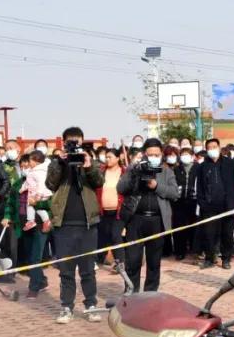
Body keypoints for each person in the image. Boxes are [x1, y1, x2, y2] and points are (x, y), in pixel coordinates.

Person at [47, 126, 104, 323]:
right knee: (66, 270)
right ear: (63, 143)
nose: (73, 145)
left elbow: (99, 182)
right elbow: (50, 184)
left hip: (87, 223)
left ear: (82, 141)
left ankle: (90, 305)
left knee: (88, 269)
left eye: (77, 142)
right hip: (64, 224)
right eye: (70, 142)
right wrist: (61, 163)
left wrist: (87, 166)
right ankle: (66, 307)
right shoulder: (57, 162)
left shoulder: (91, 161)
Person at [117, 138, 178, 291]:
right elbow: (121, 188)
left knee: (154, 262)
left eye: (157, 155)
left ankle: (150, 294)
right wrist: (133, 171)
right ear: (144, 154)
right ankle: (131, 293)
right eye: (150, 154)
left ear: (161, 155)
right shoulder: (134, 169)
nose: (153, 157)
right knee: (133, 260)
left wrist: (156, 185)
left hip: (157, 221)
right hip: (136, 220)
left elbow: (174, 193)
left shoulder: (167, 171)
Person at [196, 138, 234, 269]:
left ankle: (226, 259)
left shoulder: (230, 163)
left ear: (219, 147)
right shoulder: (202, 166)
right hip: (209, 207)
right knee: (209, 235)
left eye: (214, 147)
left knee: (227, 235)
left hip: (228, 206)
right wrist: (202, 203)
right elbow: (199, 187)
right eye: (209, 148)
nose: (212, 150)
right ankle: (210, 259)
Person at [21, 150, 53, 298]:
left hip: (44, 221)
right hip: (30, 221)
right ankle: (40, 281)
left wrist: (38, 197)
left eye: (30, 161)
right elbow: (23, 189)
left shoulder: (44, 173)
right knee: (32, 255)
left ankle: (34, 286)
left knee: (35, 257)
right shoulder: (29, 174)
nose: (29, 164)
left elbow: (44, 191)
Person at [170, 143, 194, 261]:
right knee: (179, 228)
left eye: (187, 155)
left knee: (193, 227)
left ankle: (194, 250)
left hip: (193, 202)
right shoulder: (176, 169)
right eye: (183, 155)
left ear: (192, 156)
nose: (185, 157)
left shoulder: (197, 168)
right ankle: (180, 251)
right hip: (179, 203)